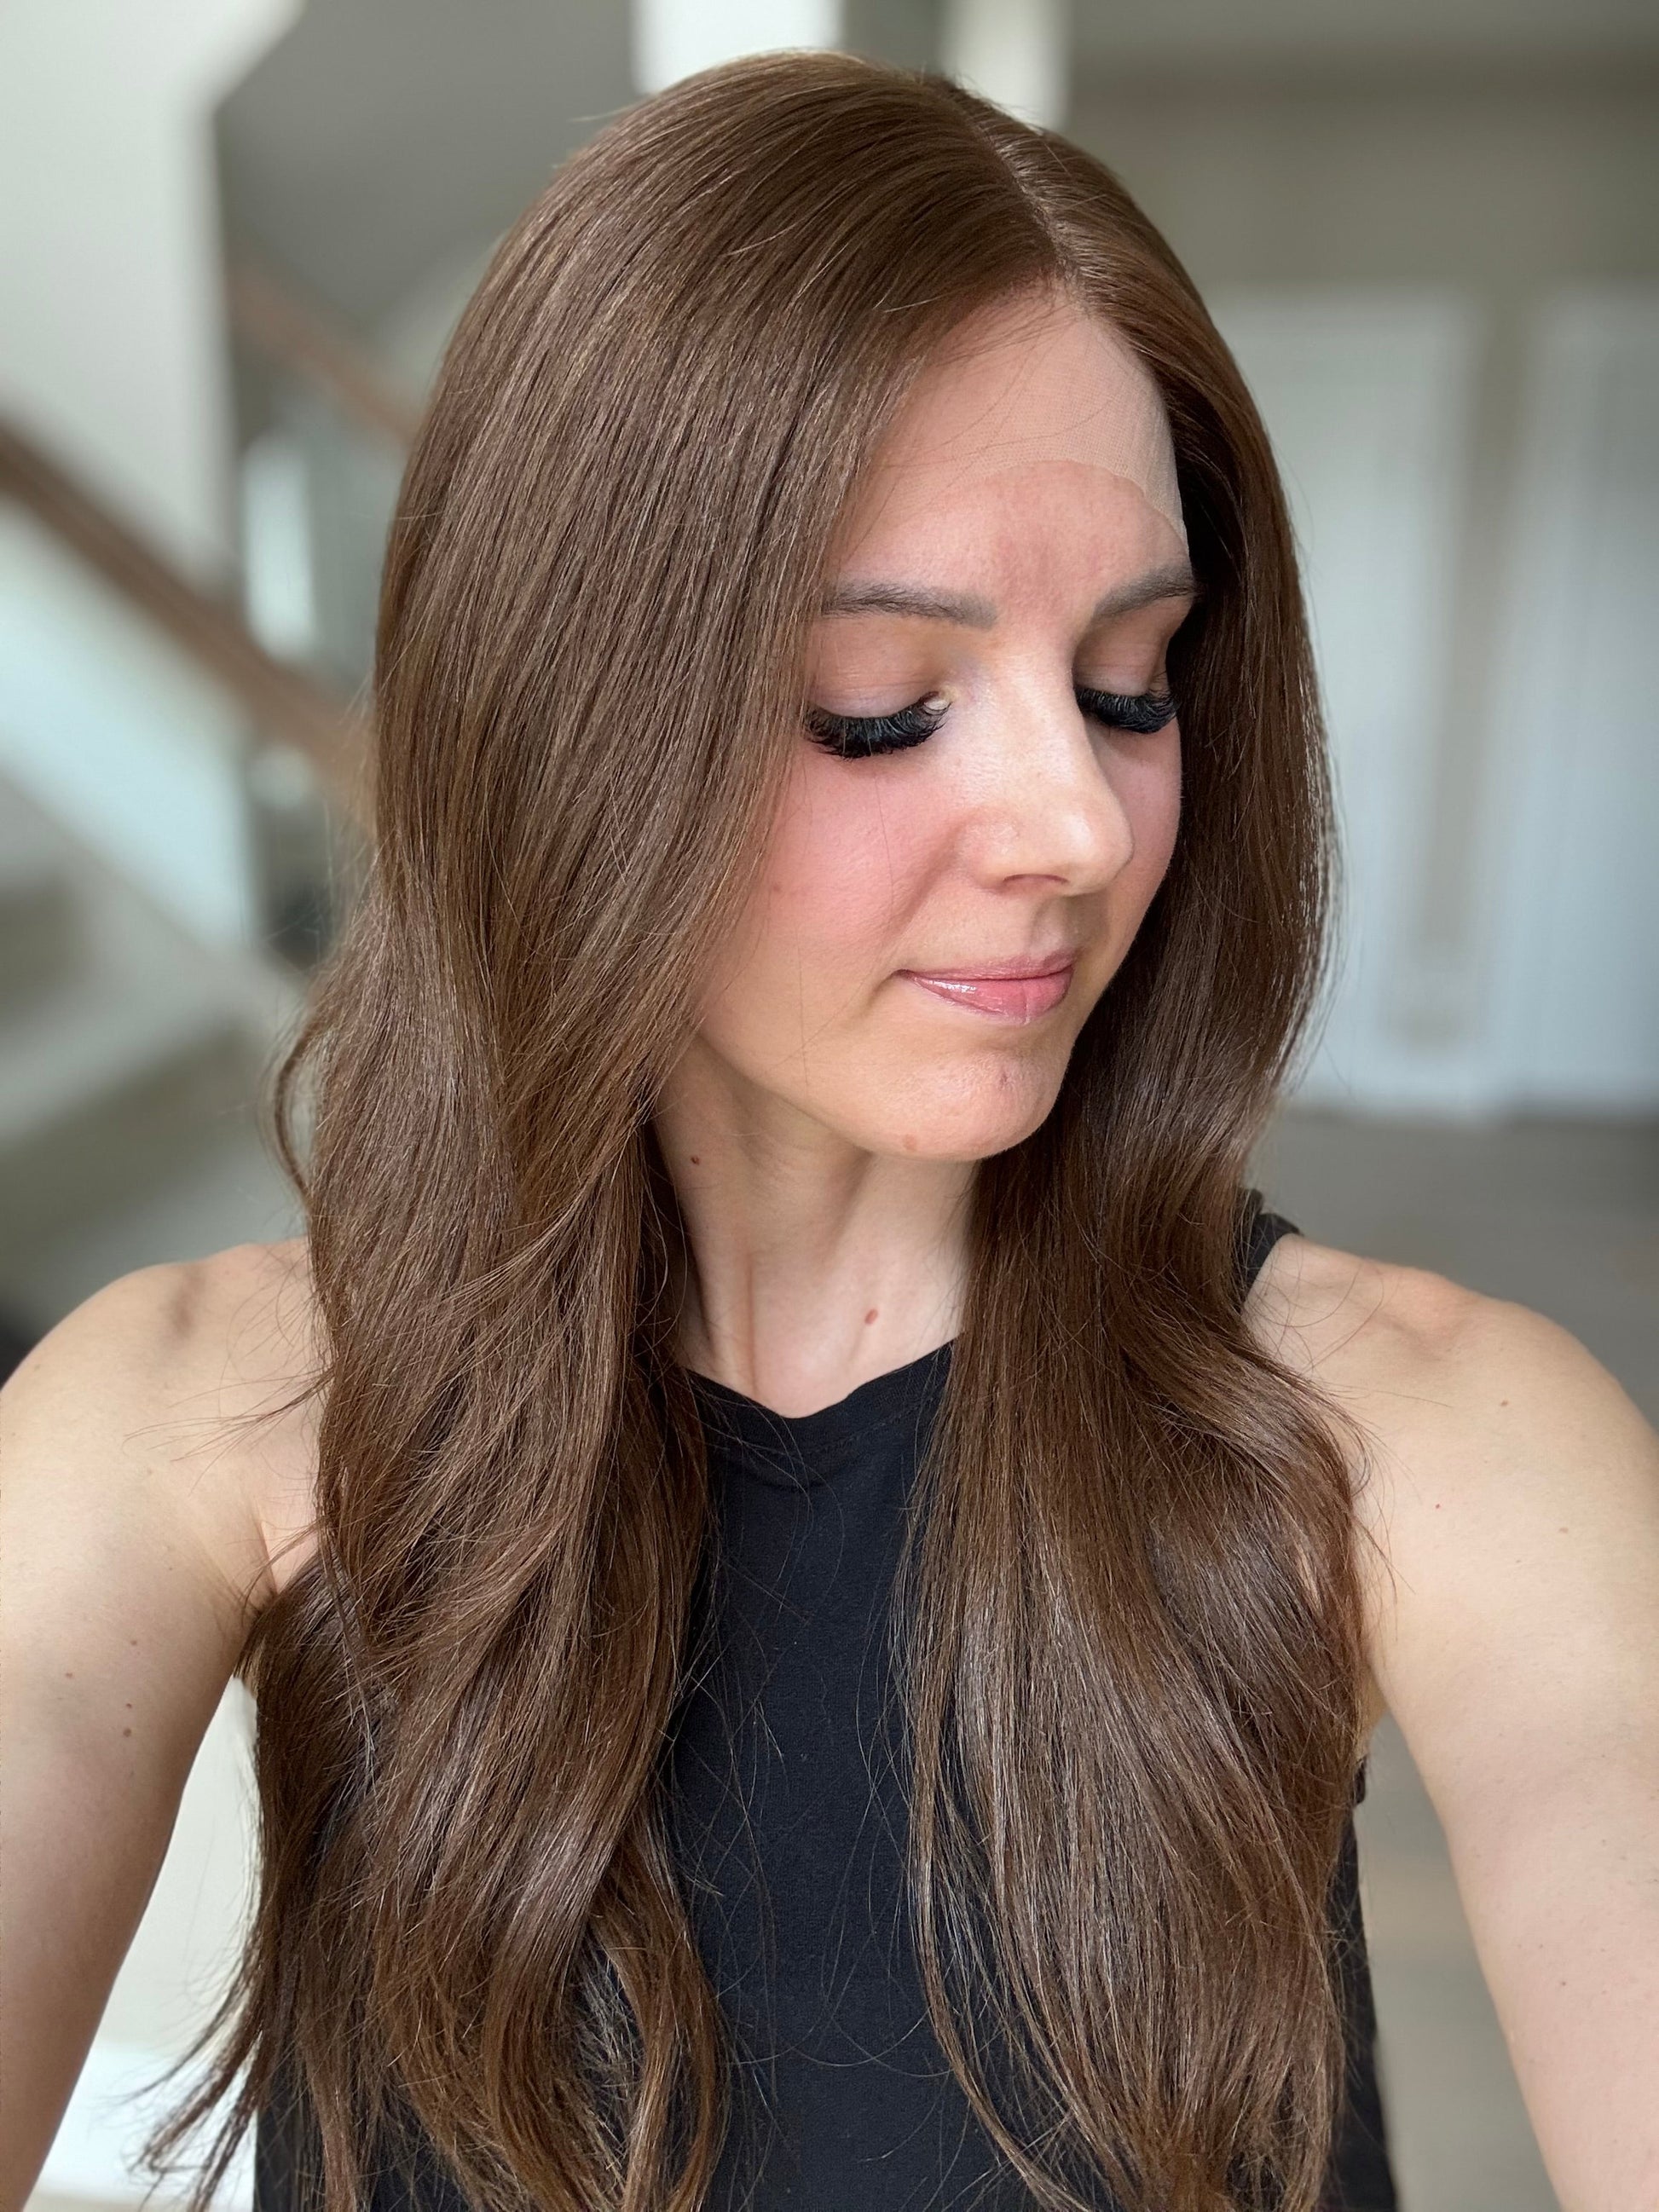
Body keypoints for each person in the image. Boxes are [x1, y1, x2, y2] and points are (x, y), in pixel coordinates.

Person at [3, 49, 1656, 2212]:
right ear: (564, 725)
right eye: (884, 703)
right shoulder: (182, 1426)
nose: (1079, 824)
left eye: (1133, 680)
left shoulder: (1428, 1441)